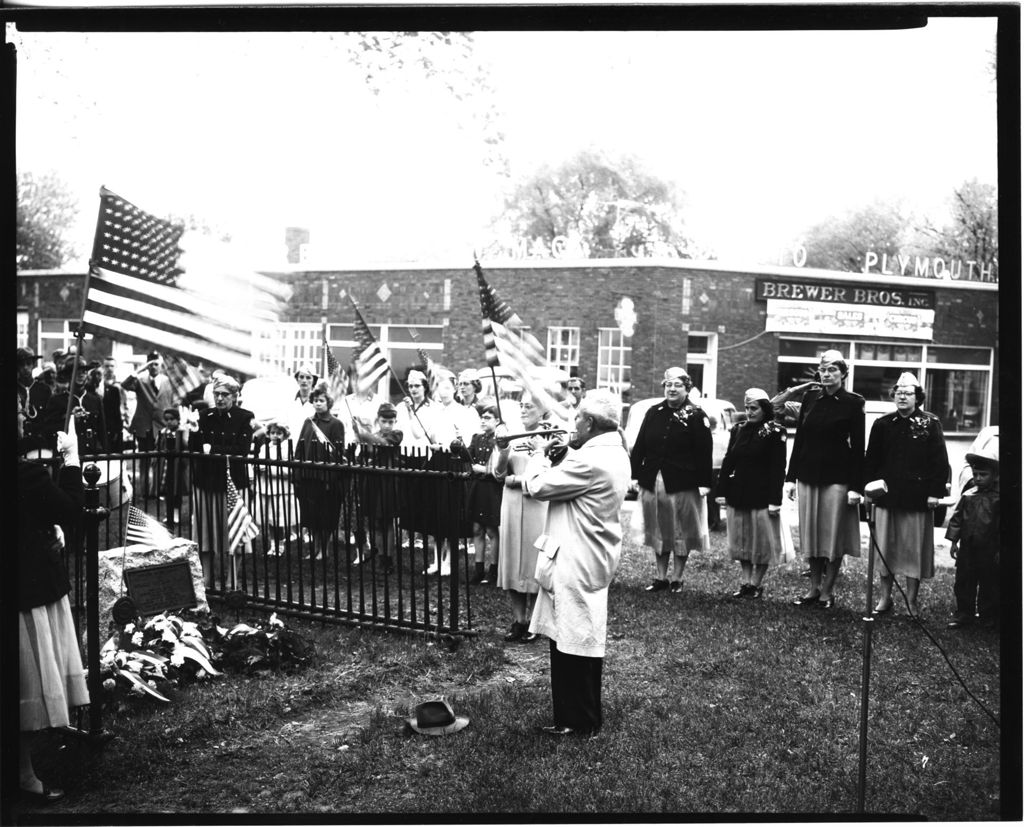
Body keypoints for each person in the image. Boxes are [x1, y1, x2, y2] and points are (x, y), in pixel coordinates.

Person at [520, 389, 631, 737]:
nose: (573, 423)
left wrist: (538, 455)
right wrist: (565, 453)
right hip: (591, 553)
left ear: (591, 423)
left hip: (576, 556)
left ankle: (579, 721)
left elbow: (538, 486)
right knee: (572, 633)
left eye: (578, 418)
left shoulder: (590, 460)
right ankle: (574, 716)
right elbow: (580, 471)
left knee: (573, 638)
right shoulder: (613, 452)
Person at [18, 407, 90, 803]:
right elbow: (73, 508)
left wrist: (42, 524)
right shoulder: (24, 474)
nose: (22, 417)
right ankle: (24, 774)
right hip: (25, 594)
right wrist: (72, 459)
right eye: (14, 412)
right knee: (25, 685)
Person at [863, 373, 949, 618]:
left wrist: (935, 493)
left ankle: (911, 601)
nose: (902, 395)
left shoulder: (930, 423)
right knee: (885, 548)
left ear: (917, 397)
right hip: (887, 497)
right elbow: (871, 461)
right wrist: (868, 490)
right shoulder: (882, 424)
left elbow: (940, 462)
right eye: (898, 391)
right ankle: (884, 598)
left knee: (913, 550)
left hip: (917, 498)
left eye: (908, 392)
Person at [785, 349, 865, 610]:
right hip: (808, 475)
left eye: (833, 369)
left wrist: (856, 486)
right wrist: (790, 477)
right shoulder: (810, 397)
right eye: (823, 368)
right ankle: (813, 588)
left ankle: (827, 591)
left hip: (836, 478)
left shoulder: (853, 402)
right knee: (812, 534)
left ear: (843, 373)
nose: (827, 373)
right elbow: (800, 441)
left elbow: (858, 447)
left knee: (832, 536)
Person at [630, 366, 713, 594]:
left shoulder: (697, 415)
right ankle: (660, 577)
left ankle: (677, 577)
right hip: (653, 479)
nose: (672, 389)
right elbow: (640, 445)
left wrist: (705, 482)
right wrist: (635, 473)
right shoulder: (653, 411)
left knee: (680, 529)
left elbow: (704, 451)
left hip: (683, 482)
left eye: (677, 384)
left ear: (687, 388)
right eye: (668, 384)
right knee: (658, 527)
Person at [492, 393, 559, 642]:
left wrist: (516, 480)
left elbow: (552, 473)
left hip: (537, 504)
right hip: (510, 504)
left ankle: (536, 621)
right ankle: (519, 619)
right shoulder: (511, 433)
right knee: (512, 559)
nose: (523, 410)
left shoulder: (551, 437)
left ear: (542, 411)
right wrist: (502, 450)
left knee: (534, 561)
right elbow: (498, 473)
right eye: (521, 405)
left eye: (529, 406)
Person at [188, 373, 261, 587]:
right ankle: (207, 579)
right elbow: (193, 449)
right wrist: (193, 431)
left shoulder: (244, 417)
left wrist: (212, 449)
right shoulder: (204, 415)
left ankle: (232, 580)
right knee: (206, 534)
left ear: (235, 396)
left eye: (225, 394)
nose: (220, 399)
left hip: (232, 485)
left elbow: (242, 450)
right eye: (217, 394)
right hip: (206, 482)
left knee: (234, 533)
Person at [714, 388, 787, 599]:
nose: (749, 412)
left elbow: (778, 468)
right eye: (746, 407)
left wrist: (775, 500)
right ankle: (746, 582)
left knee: (762, 541)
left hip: (762, 495)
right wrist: (722, 491)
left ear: (764, 409)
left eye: (753, 408)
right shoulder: (738, 430)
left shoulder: (775, 431)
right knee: (742, 540)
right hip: (739, 493)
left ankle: (756, 583)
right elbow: (729, 461)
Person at [945, 446, 999, 629]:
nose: (978, 478)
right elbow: (957, 519)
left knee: (989, 583)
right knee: (964, 582)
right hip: (968, 548)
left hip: (989, 549)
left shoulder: (999, 499)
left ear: (995, 475)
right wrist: (954, 542)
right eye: (975, 474)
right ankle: (964, 613)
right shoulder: (968, 496)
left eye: (983, 474)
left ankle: (987, 615)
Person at [294, 382, 346, 562]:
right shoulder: (308, 422)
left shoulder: (335, 424)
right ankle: (314, 549)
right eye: (315, 400)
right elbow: (300, 447)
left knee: (326, 517)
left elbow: (338, 453)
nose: (318, 403)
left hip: (325, 479)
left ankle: (324, 550)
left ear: (328, 403)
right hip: (308, 476)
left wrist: (329, 477)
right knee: (311, 517)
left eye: (321, 400)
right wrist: (298, 472)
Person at [123, 352, 174, 498]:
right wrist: (139, 370)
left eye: (156, 364)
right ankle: (144, 491)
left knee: (159, 460)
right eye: (150, 364)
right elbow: (125, 385)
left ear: (161, 365)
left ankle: (156, 491)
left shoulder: (167, 380)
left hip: (161, 425)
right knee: (144, 461)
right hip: (143, 426)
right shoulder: (140, 380)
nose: (153, 367)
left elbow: (171, 401)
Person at [464, 404, 502, 585]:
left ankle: (493, 570)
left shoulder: (501, 441)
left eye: (488, 418)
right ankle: (479, 569)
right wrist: (459, 444)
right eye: (482, 417)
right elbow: (468, 456)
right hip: (477, 487)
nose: (483, 420)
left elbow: (502, 466)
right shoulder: (477, 438)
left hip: (492, 488)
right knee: (477, 528)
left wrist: (485, 469)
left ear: (497, 421)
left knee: (492, 530)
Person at [39, 356, 108, 456]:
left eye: (84, 372)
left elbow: (102, 430)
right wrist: (70, 419)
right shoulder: (57, 400)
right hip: (68, 455)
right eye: (77, 372)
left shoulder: (95, 400)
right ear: (68, 376)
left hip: (91, 454)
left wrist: (105, 453)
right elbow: (49, 430)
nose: (81, 375)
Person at [256, 420, 298, 557]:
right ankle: (272, 544)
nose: (275, 436)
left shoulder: (287, 448)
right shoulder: (264, 447)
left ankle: (280, 545)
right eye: (273, 433)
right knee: (268, 518)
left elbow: (289, 470)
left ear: (285, 435)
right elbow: (258, 463)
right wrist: (259, 468)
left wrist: (270, 469)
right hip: (266, 487)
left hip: (280, 488)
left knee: (278, 519)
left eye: (279, 433)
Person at [17, 347, 53, 453]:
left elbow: (49, 419)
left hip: (39, 445)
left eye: (28, 363)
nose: (25, 368)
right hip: (18, 445)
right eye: (21, 364)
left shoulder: (44, 389)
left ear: (33, 364)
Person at [99, 356, 129, 450]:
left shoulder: (120, 384)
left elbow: (125, 403)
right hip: (104, 421)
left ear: (115, 367)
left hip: (118, 421)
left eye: (112, 366)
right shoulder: (99, 384)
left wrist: (125, 421)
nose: (109, 369)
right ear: (103, 367)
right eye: (107, 366)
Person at [289, 364, 318, 439]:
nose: (304, 381)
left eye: (308, 378)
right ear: (297, 379)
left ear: (314, 380)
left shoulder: (318, 402)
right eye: (301, 377)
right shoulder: (290, 400)